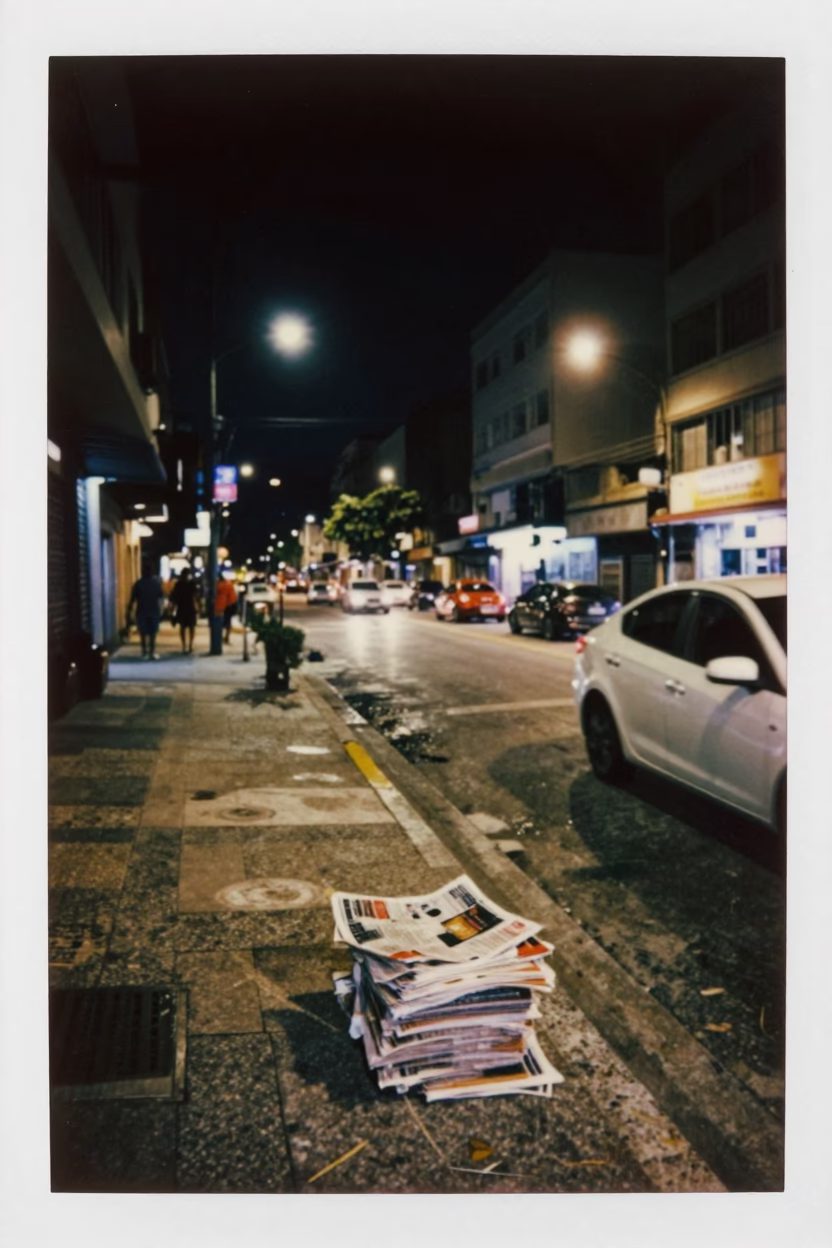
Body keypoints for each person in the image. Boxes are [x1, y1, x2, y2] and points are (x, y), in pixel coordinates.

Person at [129, 559, 165, 660]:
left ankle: (144, 652)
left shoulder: (138, 583)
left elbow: (133, 598)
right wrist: (161, 610)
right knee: (153, 633)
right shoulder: (156, 583)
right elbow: (161, 597)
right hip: (153, 611)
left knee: (143, 633)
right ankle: (152, 652)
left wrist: (129, 609)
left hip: (142, 611)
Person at [168, 566, 200, 654]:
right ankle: (189, 645)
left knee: (183, 627)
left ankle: (185, 645)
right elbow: (196, 596)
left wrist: (172, 609)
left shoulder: (179, 584)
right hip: (189, 607)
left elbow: (174, 597)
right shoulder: (191, 584)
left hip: (182, 607)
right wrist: (198, 607)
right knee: (191, 627)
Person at [215, 574, 238, 644]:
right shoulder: (229, 583)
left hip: (222, 606)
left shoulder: (219, 585)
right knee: (228, 623)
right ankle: (226, 637)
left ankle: (221, 637)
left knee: (220, 622)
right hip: (230, 605)